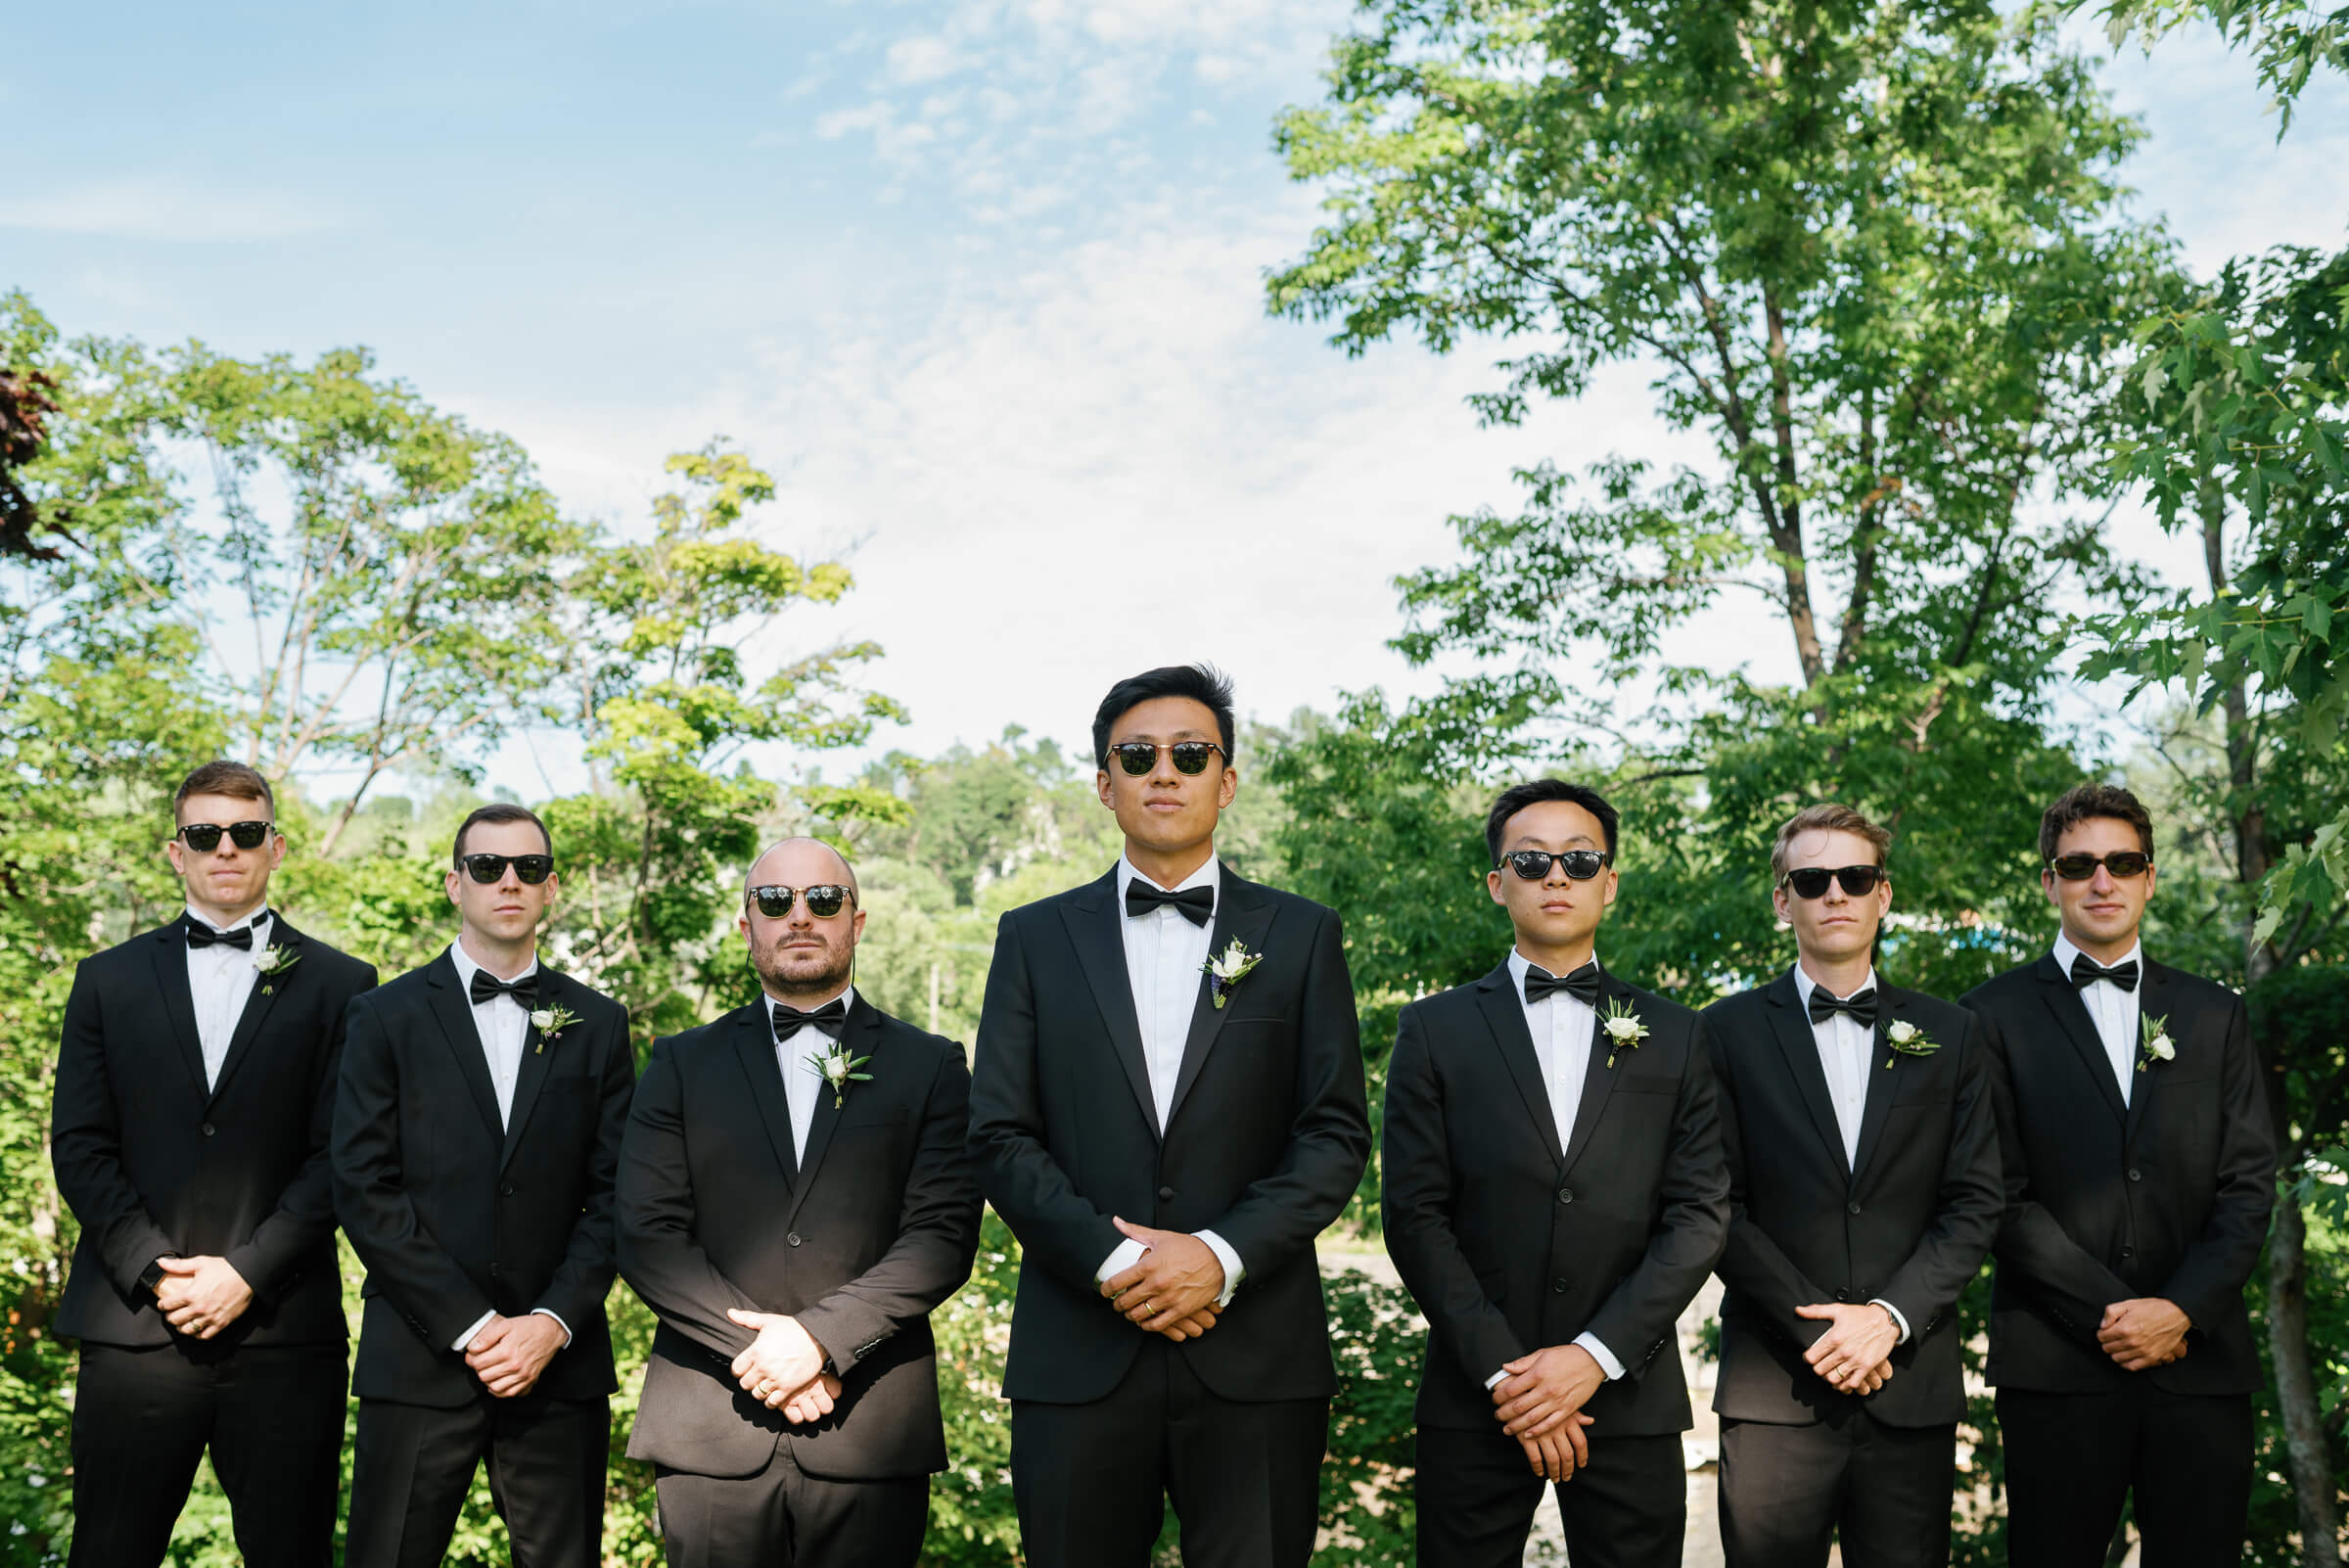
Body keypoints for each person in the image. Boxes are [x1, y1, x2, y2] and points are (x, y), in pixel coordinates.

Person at [968, 664, 1371, 1568]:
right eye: (1137, 755)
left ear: (1224, 781)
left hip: (1256, 1354)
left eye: (1190, 753)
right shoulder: (1032, 937)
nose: (1164, 772)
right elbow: (997, 1134)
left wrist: (1218, 1258)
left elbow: (1335, 1133)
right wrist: (1120, 1263)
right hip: (1077, 1355)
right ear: (1103, 783)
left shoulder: (1302, 935)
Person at [1380, 777, 1727, 1568]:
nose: (1557, 877)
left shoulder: (1678, 1036)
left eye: (1580, 859)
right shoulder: (1432, 1031)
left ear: (1610, 879)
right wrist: (1509, 1376)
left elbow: (1699, 1216)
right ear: (1498, 884)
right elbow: (1413, 1214)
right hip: (1477, 1399)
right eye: (1531, 862)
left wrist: (1592, 1357)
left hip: (1628, 1395)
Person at [617, 837, 981, 1567]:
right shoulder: (680, 1062)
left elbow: (941, 1237)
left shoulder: (931, 1065)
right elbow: (646, 1234)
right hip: (709, 1429)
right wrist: (761, 1352)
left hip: (869, 1426)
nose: (800, 916)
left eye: (823, 900)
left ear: (858, 920)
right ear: (747, 924)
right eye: (776, 901)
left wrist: (817, 1340)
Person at [52, 760, 377, 1568]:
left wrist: (246, 1274)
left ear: (276, 846)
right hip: (133, 1332)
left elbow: (344, 1153)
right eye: (206, 834)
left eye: (245, 833)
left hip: (282, 1334)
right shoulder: (106, 981)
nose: (225, 849)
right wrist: (157, 1271)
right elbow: (79, 1145)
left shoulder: (345, 985)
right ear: (176, 851)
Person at [1963, 783, 2274, 1567]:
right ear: (2050, 881)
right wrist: (2124, 1314)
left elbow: (2248, 1187)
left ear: (2150, 876)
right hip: (2057, 1367)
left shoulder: (2214, 1014)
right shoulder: (1986, 1018)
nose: (2102, 881)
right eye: (2079, 865)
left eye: (2122, 862)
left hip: (2200, 1365)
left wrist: (2180, 1311)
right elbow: (1996, 1193)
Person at [333, 804, 635, 1568]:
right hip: (419, 1356)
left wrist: (551, 1322)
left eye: (528, 868)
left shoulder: (597, 1023)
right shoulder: (382, 1015)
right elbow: (363, 1186)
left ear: (551, 887)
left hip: (557, 1364)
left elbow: (619, 1193)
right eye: (488, 866)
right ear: (453, 883)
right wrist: (472, 1326)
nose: (509, 881)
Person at [1700, 804, 2002, 1568]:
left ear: (1883, 894)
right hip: (1774, 1393)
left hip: (1912, 1385)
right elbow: (1712, 1203)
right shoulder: (1721, 1033)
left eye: (1854, 876)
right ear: (1783, 899)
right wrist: (1824, 1333)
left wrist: (1889, 1319)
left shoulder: (1954, 1032)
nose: (1835, 893)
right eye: (1812, 879)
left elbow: (1974, 1202)